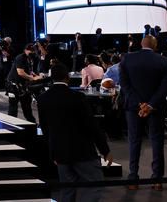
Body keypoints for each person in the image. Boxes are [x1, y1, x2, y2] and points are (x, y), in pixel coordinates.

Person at [37, 63, 112, 202]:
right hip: (83, 151)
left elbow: (45, 129)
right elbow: (92, 125)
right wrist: (105, 150)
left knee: (67, 189)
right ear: (68, 77)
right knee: (95, 184)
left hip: (60, 152)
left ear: (52, 78)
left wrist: (53, 152)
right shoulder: (78, 97)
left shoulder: (42, 99)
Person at [119, 34, 167, 191]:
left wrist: (139, 103)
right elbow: (165, 87)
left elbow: (124, 84)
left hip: (133, 107)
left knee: (134, 141)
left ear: (141, 44)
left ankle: (133, 179)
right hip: (156, 108)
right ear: (155, 46)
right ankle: (157, 180)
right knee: (157, 142)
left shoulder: (127, 59)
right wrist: (150, 105)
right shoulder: (164, 61)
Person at [6, 43, 43, 122]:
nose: (32, 52)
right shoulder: (20, 58)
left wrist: (36, 76)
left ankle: (33, 125)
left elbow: (29, 71)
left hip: (23, 86)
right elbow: (20, 72)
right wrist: (33, 78)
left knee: (27, 108)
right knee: (13, 108)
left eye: (33, 51)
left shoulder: (29, 59)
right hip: (13, 86)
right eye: (30, 51)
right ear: (25, 50)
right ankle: (11, 127)